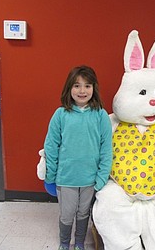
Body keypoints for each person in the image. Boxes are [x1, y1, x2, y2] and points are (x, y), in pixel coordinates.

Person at [44, 65, 113, 250]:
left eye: (87, 85)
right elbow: (51, 146)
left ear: (94, 88)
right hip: (66, 178)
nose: (82, 90)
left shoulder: (101, 116)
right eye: (77, 85)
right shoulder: (60, 114)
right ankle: (64, 243)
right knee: (66, 214)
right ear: (69, 88)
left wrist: (101, 177)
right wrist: (51, 174)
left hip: (90, 179)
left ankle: (80, 242)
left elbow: (107, 150)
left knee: (83, 213)